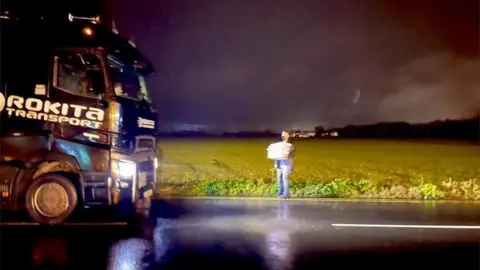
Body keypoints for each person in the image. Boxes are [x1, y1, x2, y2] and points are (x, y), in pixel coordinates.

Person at [274, 131, 295, 198]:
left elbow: (292, 155)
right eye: (282, 134)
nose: (282, 136)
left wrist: (291, 165)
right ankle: (280, 192)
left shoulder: (290, 144)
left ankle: (286, 194)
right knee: (279, 178)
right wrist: (275, 163)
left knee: (284, 178)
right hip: (279, 163)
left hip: (286, 164)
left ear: (288, 136)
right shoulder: (279, 144)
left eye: (284, 135)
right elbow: (275, 154)